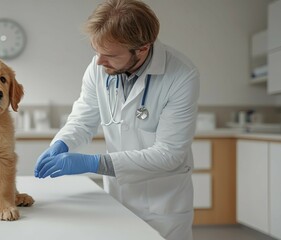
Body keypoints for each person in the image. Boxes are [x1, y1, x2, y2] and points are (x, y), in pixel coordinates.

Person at [34, 0, 199, 239]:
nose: (99, 61)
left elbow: (170, 154)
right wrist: (62, 143)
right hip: (117, 198)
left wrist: (94, 163)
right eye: (96, 51)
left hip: (162, 205)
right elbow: (83, 118)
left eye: (109, 54)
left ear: (142, 48)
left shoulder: (182, 76)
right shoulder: (99, 67)